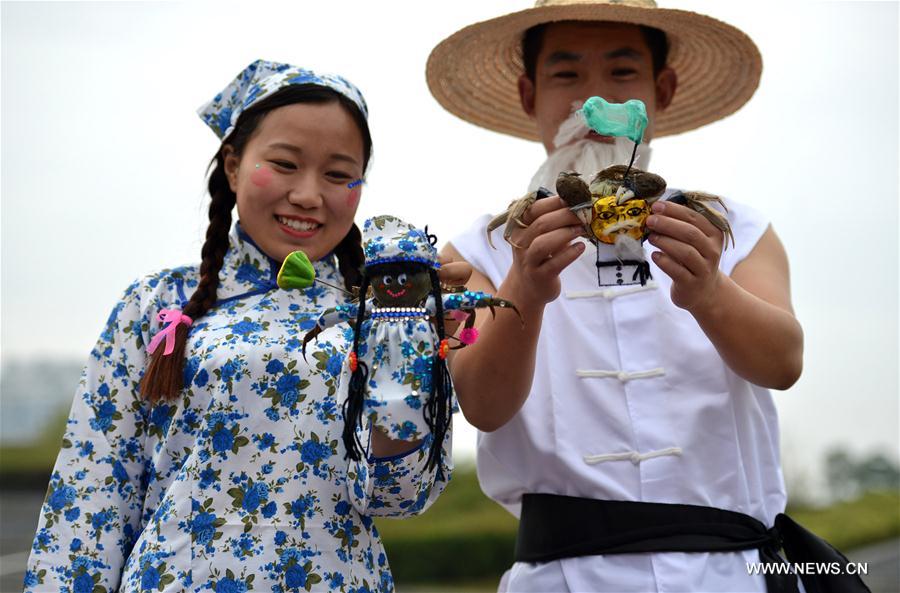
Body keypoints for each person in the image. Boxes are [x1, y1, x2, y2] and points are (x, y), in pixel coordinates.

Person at [428, 2, 868, 592]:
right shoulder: (480, 250)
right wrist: (525, 291)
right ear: (529, 93)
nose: (593, 102)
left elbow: (783, 363)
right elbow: (482, 403)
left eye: (620, 72)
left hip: (730, 572)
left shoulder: (731, 227)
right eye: (565, 74)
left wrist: (710, 290)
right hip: (562, 576)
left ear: (661, 88)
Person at [24, 59, 462, 593]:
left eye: (337, 174)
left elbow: (398, 496)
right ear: (232, 165)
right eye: (284, 164)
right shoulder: (160, 302)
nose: (307, 194)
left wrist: (407, 353)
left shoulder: (380, 316)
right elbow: (92, 493)